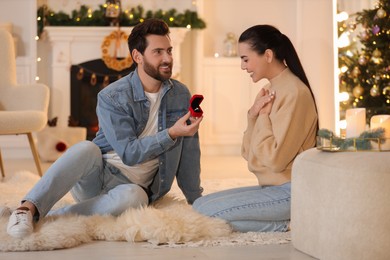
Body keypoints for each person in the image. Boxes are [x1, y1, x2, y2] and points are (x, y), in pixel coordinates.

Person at [4, 18, 204, 239]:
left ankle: (55, 216)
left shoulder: (180, 94)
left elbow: (189, 150)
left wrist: (196, 200)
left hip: (134, 189)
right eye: (158, 52)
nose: (167, 58)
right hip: (98, 178)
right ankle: (27, 209)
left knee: (136, 198)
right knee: (85, 149)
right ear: (137, 56)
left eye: (169, 50)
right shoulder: (112, 95)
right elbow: (129, 154)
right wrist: (171, 134)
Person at [192, 24, 318, 232]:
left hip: (291, 191)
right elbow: (248, 153)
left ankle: (287, 225)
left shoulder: (294, 93)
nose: (243, 66)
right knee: (199, 206)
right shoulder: (269, 89)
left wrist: (264, 117)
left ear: (267, 55)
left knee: (206, 213)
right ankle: (283, 224)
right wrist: (252, 116)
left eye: (245, 59)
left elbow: (275, 160)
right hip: (271, 188)